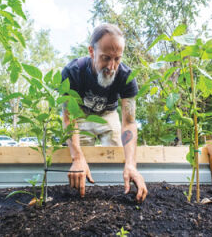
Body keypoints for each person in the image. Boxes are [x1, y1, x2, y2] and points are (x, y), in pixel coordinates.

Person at [61, 23, 148, 202]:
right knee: (78, 164)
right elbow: (69, 117)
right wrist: (77, 156)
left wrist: (131, 164)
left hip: (108, 116)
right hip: (80, 117)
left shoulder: (126, 77)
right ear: (92, 51)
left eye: (117, 59)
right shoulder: (73, 72)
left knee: (118, 156)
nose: (112, 66)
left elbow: (129, 122)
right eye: (105, 58)